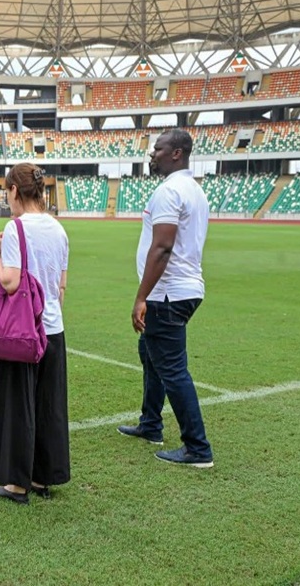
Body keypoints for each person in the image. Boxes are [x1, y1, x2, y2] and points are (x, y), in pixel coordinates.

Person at [118, 129, 214, 468]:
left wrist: (141, 297)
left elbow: (163, 247)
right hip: (184, 290)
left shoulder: (170, 190)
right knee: (150, 354)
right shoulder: (193, 189)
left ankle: (197, 448)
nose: (152, 154)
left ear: (177, 153)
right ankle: (150, 424)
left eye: (158, 148)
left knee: (172, 369)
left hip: (167, 294)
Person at [0, 163, 70, 505]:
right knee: (48, 405)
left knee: (18, 403)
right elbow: (61, 286)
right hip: (53, 327)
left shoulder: (15, 228)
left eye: (7, 192)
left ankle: (16, 483)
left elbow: (10, 281)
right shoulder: (59, 230)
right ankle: (42, 476)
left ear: (15, 192)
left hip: (23, 331)